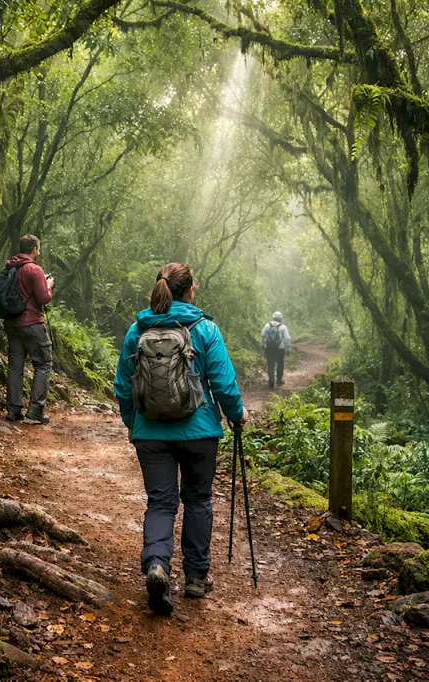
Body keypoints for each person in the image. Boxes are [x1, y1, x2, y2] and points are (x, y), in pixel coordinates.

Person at [113, 262, 247, 616]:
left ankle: (157, 564)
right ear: (190, 290)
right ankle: (196, 577)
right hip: (200, 432)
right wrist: (237, 416)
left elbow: (124, 386)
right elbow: (222, 382)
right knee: (198, 500)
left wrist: (133, 423)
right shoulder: (205, 329)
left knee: (160, 503)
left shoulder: (137, 329)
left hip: (151, 434)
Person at [4, 235, 54, 424]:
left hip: (12, 324)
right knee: (43, 364)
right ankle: (34, 411)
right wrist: (49, 286)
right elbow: (43, 298)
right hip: (32, 323)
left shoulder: (10, 267)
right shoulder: (34, 269)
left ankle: (13, 410)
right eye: (38, 249)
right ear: (34, 249)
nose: (38, 252)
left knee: (15, 366)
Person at [260, 311, 291, 389]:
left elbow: (262, 335)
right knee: (280, 363)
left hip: (269, 348)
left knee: (270, 364)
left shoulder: (268, 325)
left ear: (273, 317)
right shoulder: (283, 327)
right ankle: (279, 380)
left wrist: (262, 344)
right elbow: (287, 338)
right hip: (280, 348)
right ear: (281, 319)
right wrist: (289, 348)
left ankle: (271, 380)